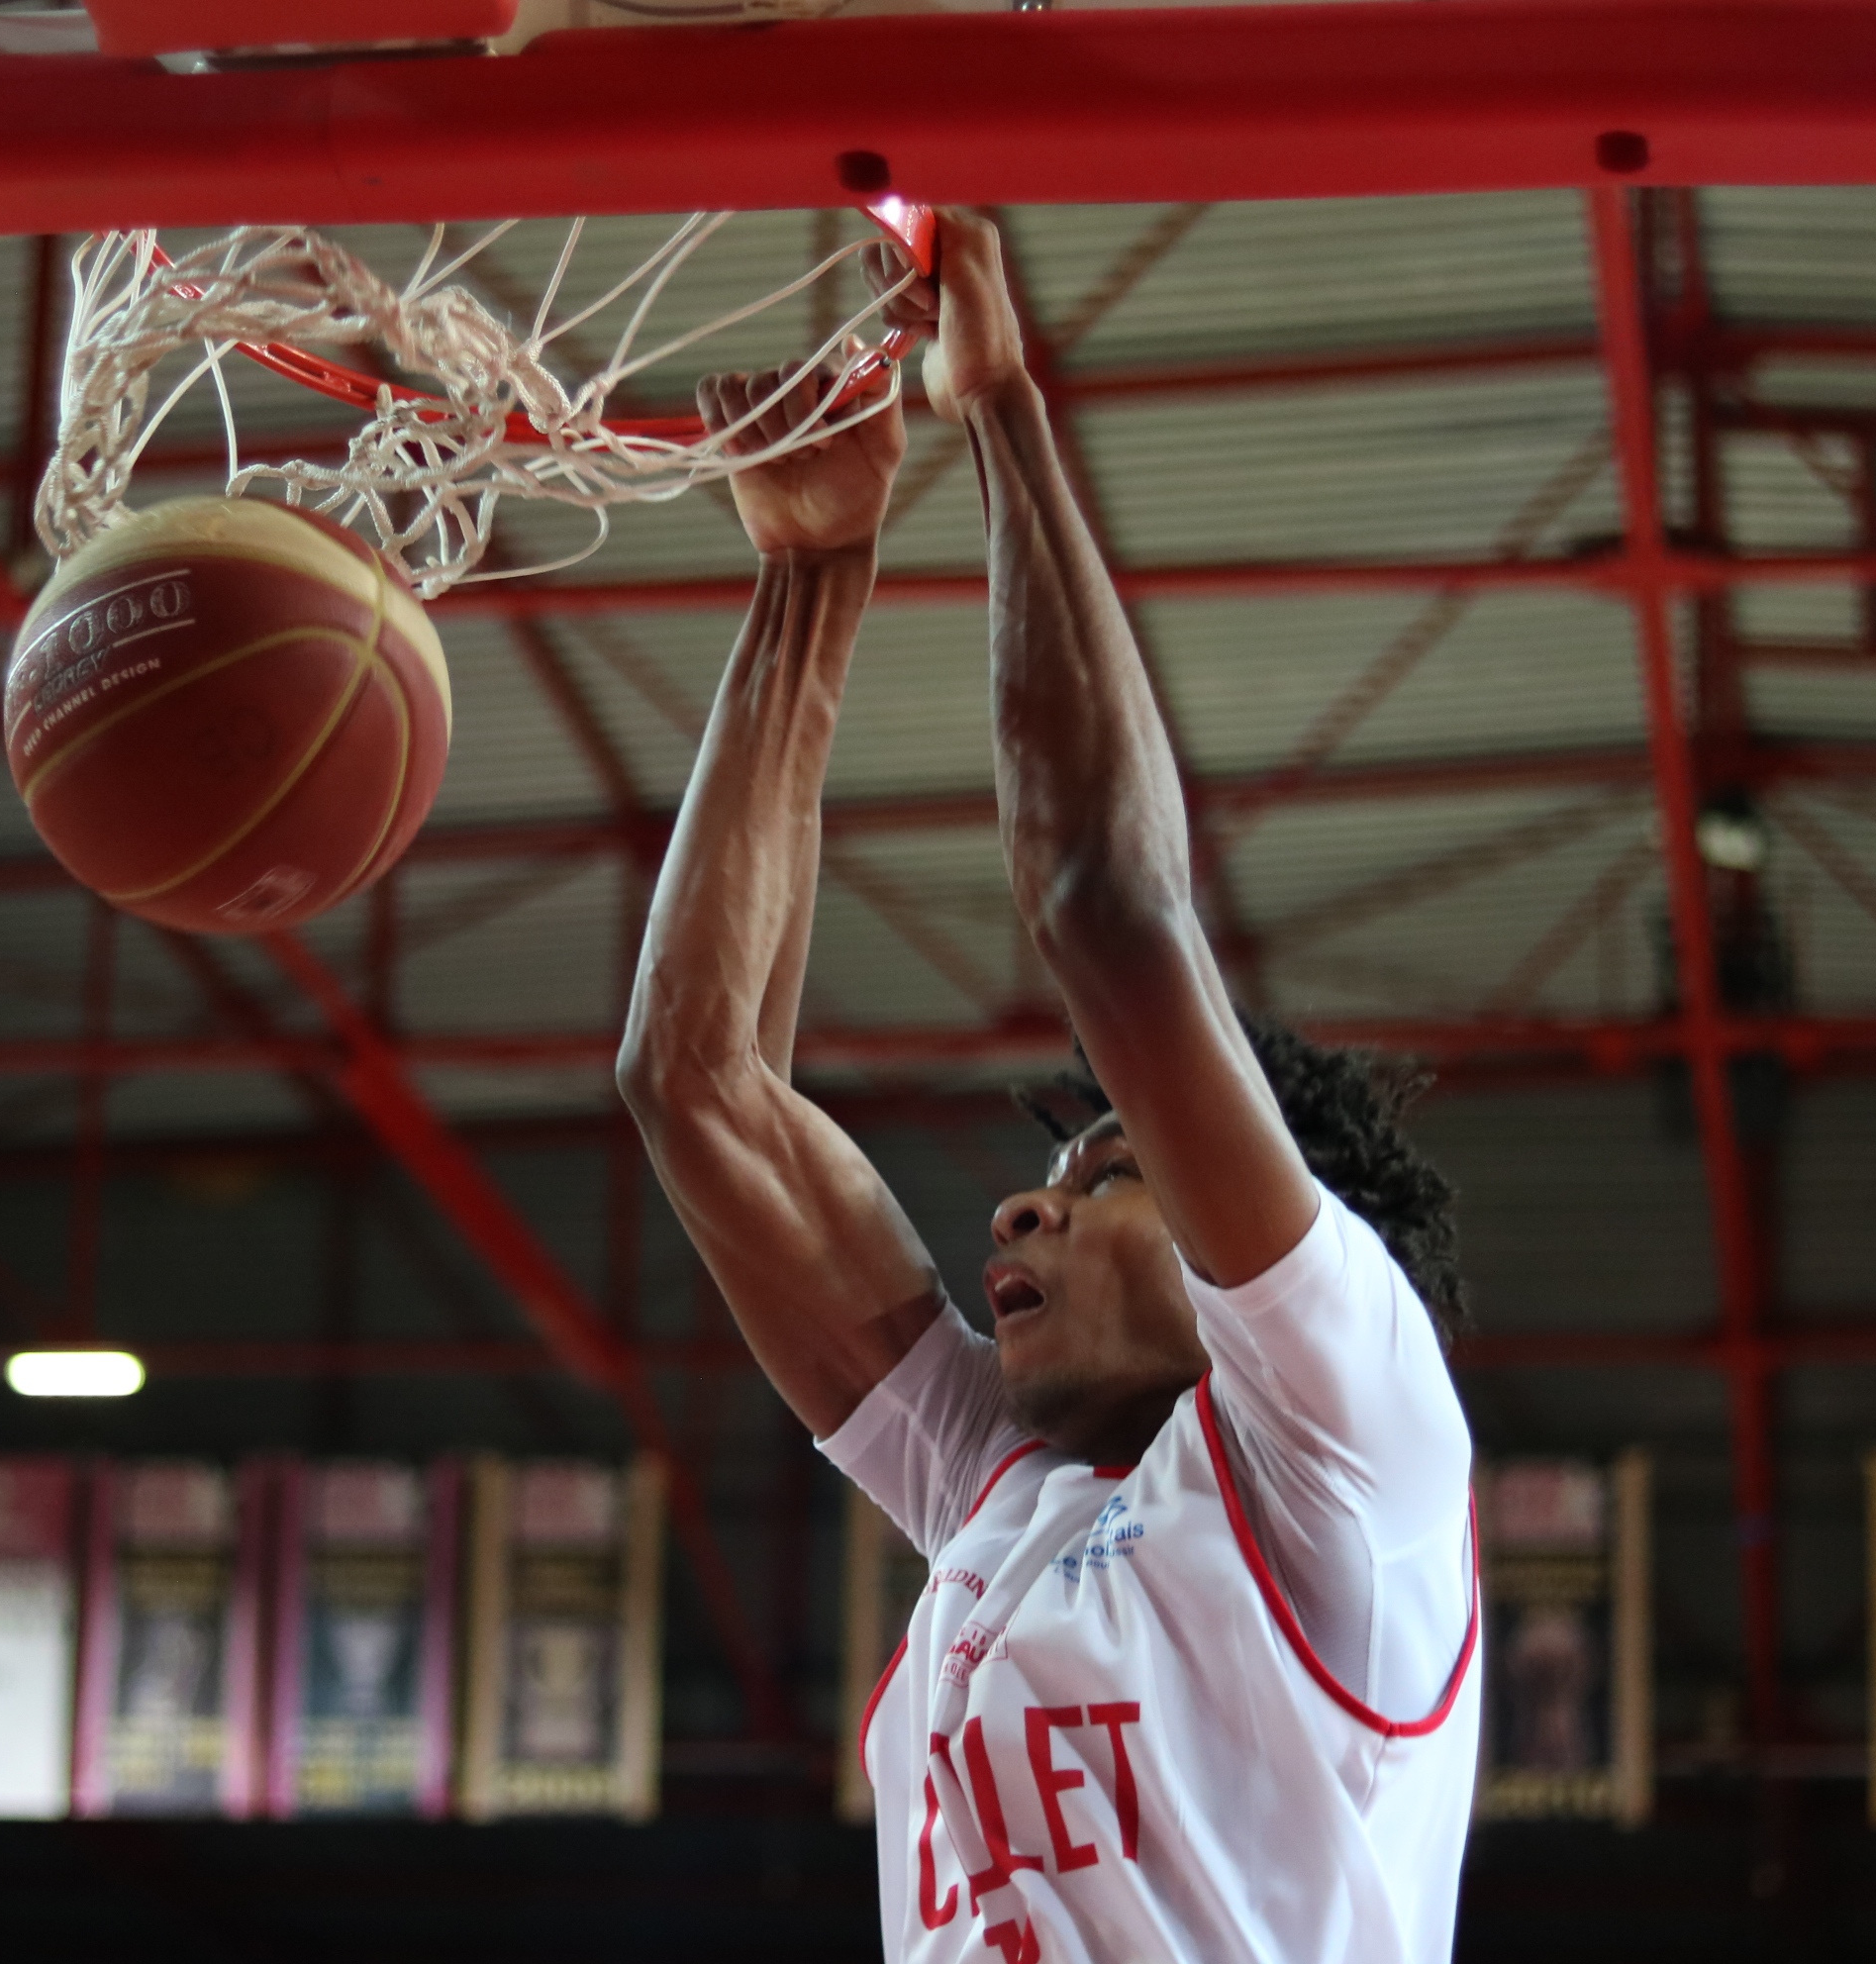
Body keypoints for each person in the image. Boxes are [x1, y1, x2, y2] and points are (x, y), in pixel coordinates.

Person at [617, 210, 1479, 1963]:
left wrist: (1003, 403)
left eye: (1106, 1178)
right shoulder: (1015, 1489)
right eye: (1058, 1176)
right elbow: (694, 1081)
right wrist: (809, 578)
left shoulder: (1348, 1438)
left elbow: (1109, 909)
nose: (1025, 1207)